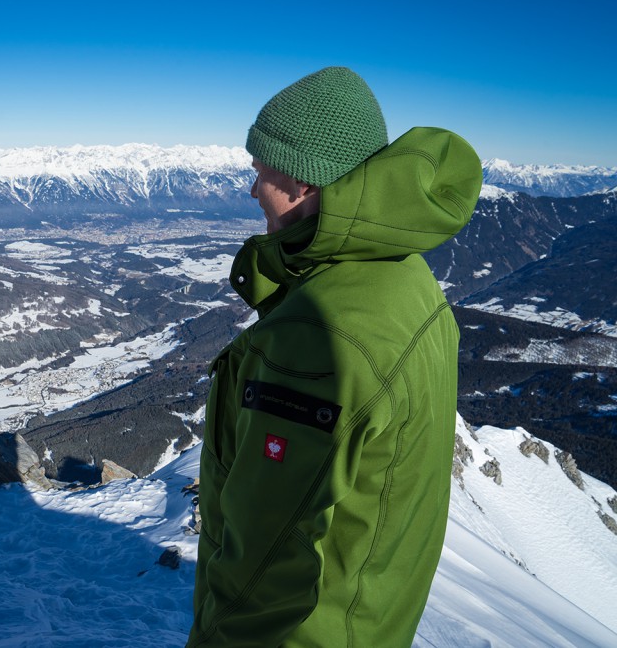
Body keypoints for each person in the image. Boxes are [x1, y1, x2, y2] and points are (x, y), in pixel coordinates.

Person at [188, 67, 482, 647]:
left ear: (303, 183)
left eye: (261, 172)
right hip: (366, 618)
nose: (252, 191)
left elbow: (266, 559)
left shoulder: (319, 335)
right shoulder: (404, 273)